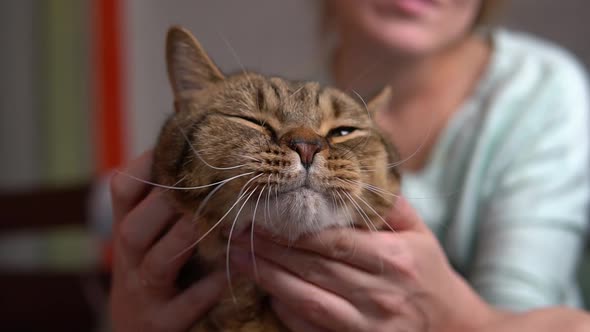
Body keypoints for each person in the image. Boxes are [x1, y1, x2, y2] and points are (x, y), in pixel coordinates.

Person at [109, 0, 590, 331]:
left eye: (343, 132)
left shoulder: (543, 92)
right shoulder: (307, 89)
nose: (306, 145)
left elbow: (527, 309)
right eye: (252, 121)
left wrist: (458, 321)